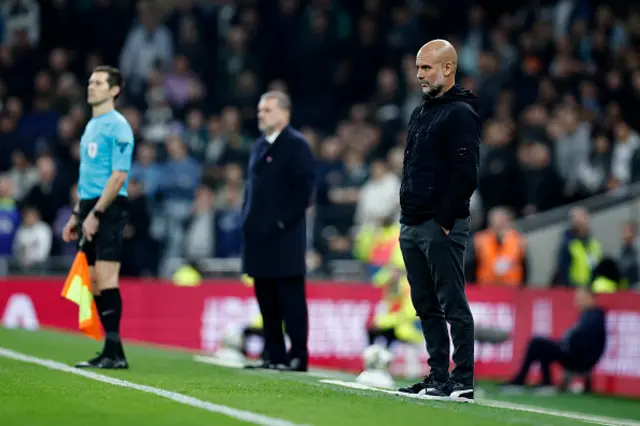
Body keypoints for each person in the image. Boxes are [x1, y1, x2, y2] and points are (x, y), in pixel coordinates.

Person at [396, 39, 481, 401]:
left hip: (438, 224)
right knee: (426, 305)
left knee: (452, 303)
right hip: (413, 222)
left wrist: (446, 219)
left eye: (426, 67)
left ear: (448, 68)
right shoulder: (424, 111)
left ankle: (461, 380)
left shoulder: (459, 112)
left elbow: (466, 173)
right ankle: (437, 377)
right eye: (418, 68)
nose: (419, 75)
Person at [62, 66, 135, 369]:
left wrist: (96, 213)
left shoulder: (118, 127)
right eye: (90, 81)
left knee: (106, 278)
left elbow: (118, 177)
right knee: (91, 281)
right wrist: (78, 214)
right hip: (91, 205)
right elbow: (88, 177)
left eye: (99, 83)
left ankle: (115, 350)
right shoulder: (91, 126)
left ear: (114, 90)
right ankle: (111, 349)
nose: (91, 86)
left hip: (110, 206)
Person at [241, 91, 316, 372]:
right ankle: (273, 353)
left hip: (285, 239)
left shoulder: (296, 145)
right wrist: (247, 222)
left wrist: (282, 222)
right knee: (266, 299)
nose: (261, 115)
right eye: (260, 110)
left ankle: (298, 355)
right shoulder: (259, 145)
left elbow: (304, 191)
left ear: (284, 113)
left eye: (267, 110)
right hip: (258, 239)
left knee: (290, 299)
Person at [502, 286, 607, 391]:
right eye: (577, 299)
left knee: (537, 343)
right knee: (542, 346)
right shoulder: (589, 315)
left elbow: (583, 341)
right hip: (575, 354)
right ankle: (545, 382)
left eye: (581, 299)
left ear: (591, 298)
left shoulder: (594, 316)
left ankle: (522, 379)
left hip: (579, 358)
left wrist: (565, 343)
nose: (577, 302)